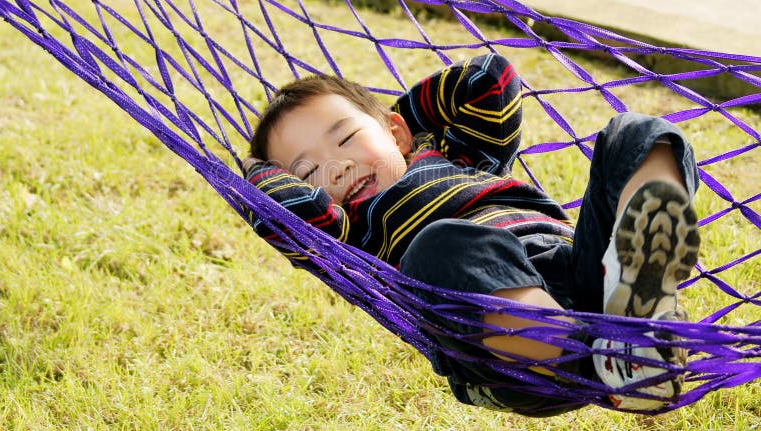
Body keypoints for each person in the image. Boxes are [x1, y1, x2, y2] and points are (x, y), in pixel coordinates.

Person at [242, 53, 700, 415]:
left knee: (639, 134)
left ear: (397, 133)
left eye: (346, 139)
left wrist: (403, 123)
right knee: (439, 244)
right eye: (309, 171)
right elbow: (280, 213)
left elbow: (490, 79)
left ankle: (638, 286)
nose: (338, 166)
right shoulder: (344, 234)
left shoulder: (460, 157)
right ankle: (611, 362)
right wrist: (254, 173)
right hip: (505, 348)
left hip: (582, 270)